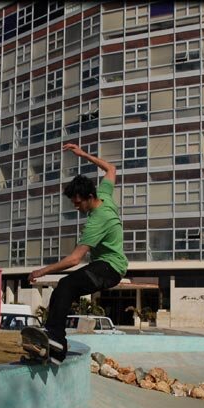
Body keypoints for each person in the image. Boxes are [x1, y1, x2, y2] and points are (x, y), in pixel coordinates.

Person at [28, 143, 128, 364]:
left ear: (89, 197)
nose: (76, 207)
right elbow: (111, 169)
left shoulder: (97, 221)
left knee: (66, 285)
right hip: (108, 266)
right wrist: (83, 155)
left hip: (109, 269)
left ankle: (56, 341)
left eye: (78, 203)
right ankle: (53, 337)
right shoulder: (105, 195)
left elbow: (75, 259)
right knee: (65, 289)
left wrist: (42, 271)